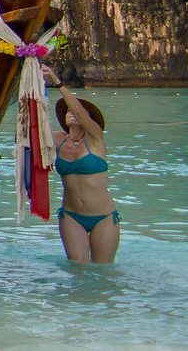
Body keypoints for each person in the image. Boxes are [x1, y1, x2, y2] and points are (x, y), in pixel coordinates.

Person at [53, 87, 117, 263]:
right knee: (77, 270)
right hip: (71, 215)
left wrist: (58, 83)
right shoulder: (58, 139)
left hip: (103, 217)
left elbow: (80, 113)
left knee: (103, 272)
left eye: (76, 111)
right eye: (68, 110)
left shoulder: (95, 139)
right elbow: (30, 135)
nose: (72, 112)